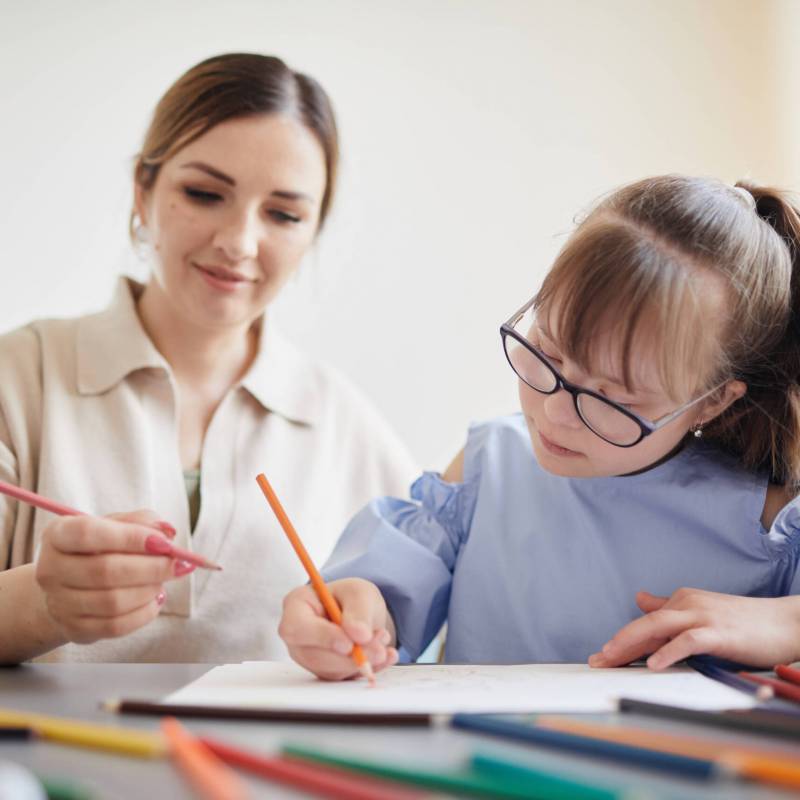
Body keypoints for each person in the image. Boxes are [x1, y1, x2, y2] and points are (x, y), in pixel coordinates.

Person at [279, 175, 800, 680]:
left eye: (610, 398)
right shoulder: (492, 464)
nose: (555, 414)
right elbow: (389, 592)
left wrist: (787, 623)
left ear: (713, 403)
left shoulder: (768, 523)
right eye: (546, 352)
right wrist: (358, 611)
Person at [0, 53, 417, 664]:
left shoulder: (345, 426)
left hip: (265, 761)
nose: (239, 243)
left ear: (313, 231)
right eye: (204, 193)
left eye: (283, 214)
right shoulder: (20, 378)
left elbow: (419, 631)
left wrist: (374, 628)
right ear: (143, 193)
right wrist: (42, 605)